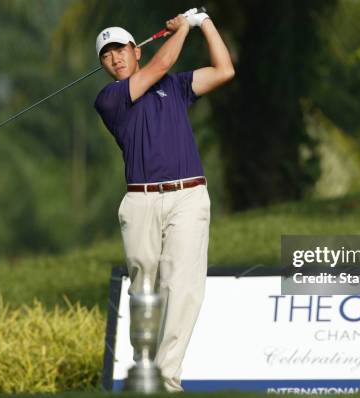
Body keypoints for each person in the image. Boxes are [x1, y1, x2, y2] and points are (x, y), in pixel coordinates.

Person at [94, 10, 234, 392]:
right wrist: (184, 26)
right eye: (107, 56)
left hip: (188, 196)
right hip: (140, 204)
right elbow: (163, 61)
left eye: (120, 49)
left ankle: (165, 377)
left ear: (135, 50)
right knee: (145, 289)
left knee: (183, 287)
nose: (115, 59)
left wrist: (205, 22)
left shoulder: (175, 86)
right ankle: (143, 365)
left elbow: (224, 70)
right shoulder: (110, 98)